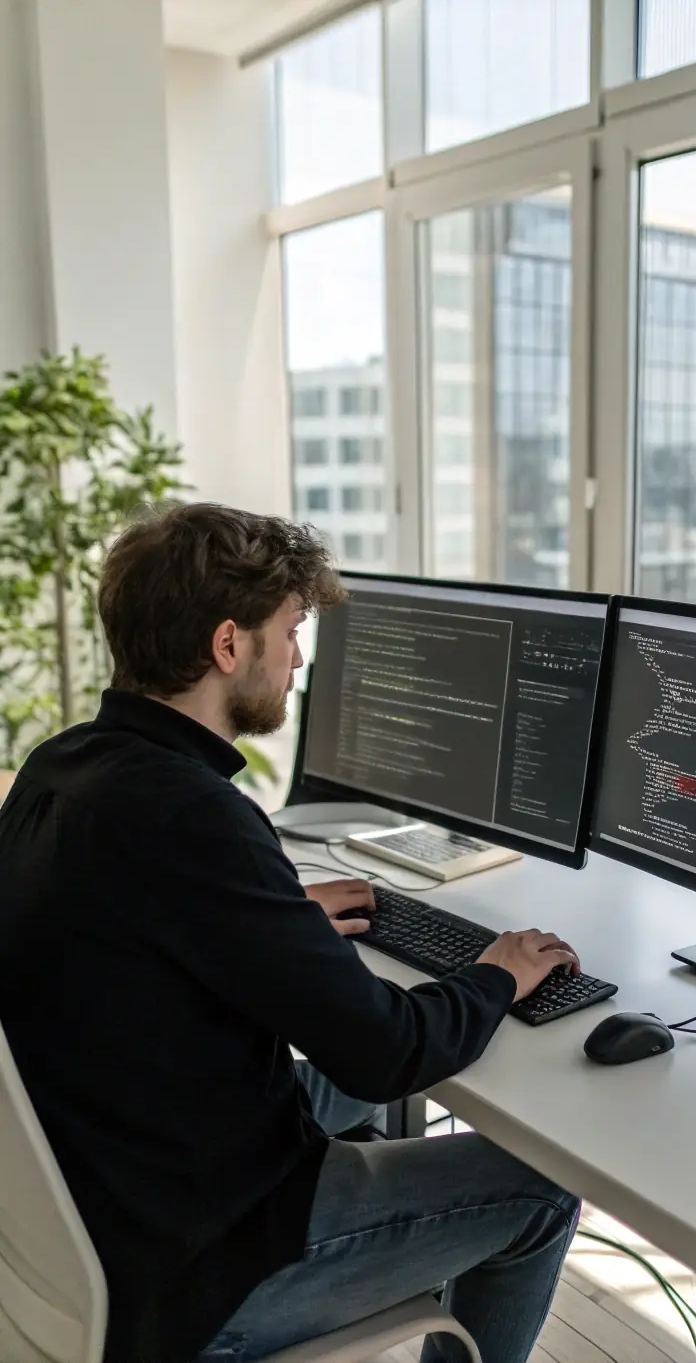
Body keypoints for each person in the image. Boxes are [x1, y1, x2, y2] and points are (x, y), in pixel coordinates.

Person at [0, 503, 583, 1363]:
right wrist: (497, 972)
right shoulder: (198, 818)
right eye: (290, 630)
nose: (300, 657)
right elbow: (386, 1050)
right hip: (197, 1276)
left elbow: (132, 929)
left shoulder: (64, 764)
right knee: (541, 1188)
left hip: (106, 1204)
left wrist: (275, 920)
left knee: (357, 1104)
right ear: (228, 646)